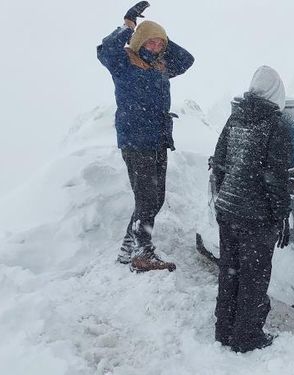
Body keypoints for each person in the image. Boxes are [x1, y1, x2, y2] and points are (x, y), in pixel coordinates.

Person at [97, 2, 194, 272]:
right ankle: (142, 253)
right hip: (136, 140)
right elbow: (105, 50)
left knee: (154, 197)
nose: (154, 47)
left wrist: (160, 35)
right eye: (149, 43)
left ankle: (130, 248)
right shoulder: (123, 63)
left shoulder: (160, 67)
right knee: (147, 199)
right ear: (138, 42)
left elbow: (187, 60)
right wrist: (130, 25)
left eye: (158, 44)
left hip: (157, 140)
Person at [212, 66, 292, 353]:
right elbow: (275, 178)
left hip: (228, 210)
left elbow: (219, 163)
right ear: (275, 93)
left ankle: (224, 329)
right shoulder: (276, 126)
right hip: (255, 217)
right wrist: (282, 214)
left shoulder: (236, 117)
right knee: (254, 278)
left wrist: (224, 196)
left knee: (230, 272)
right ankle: (247, 337)